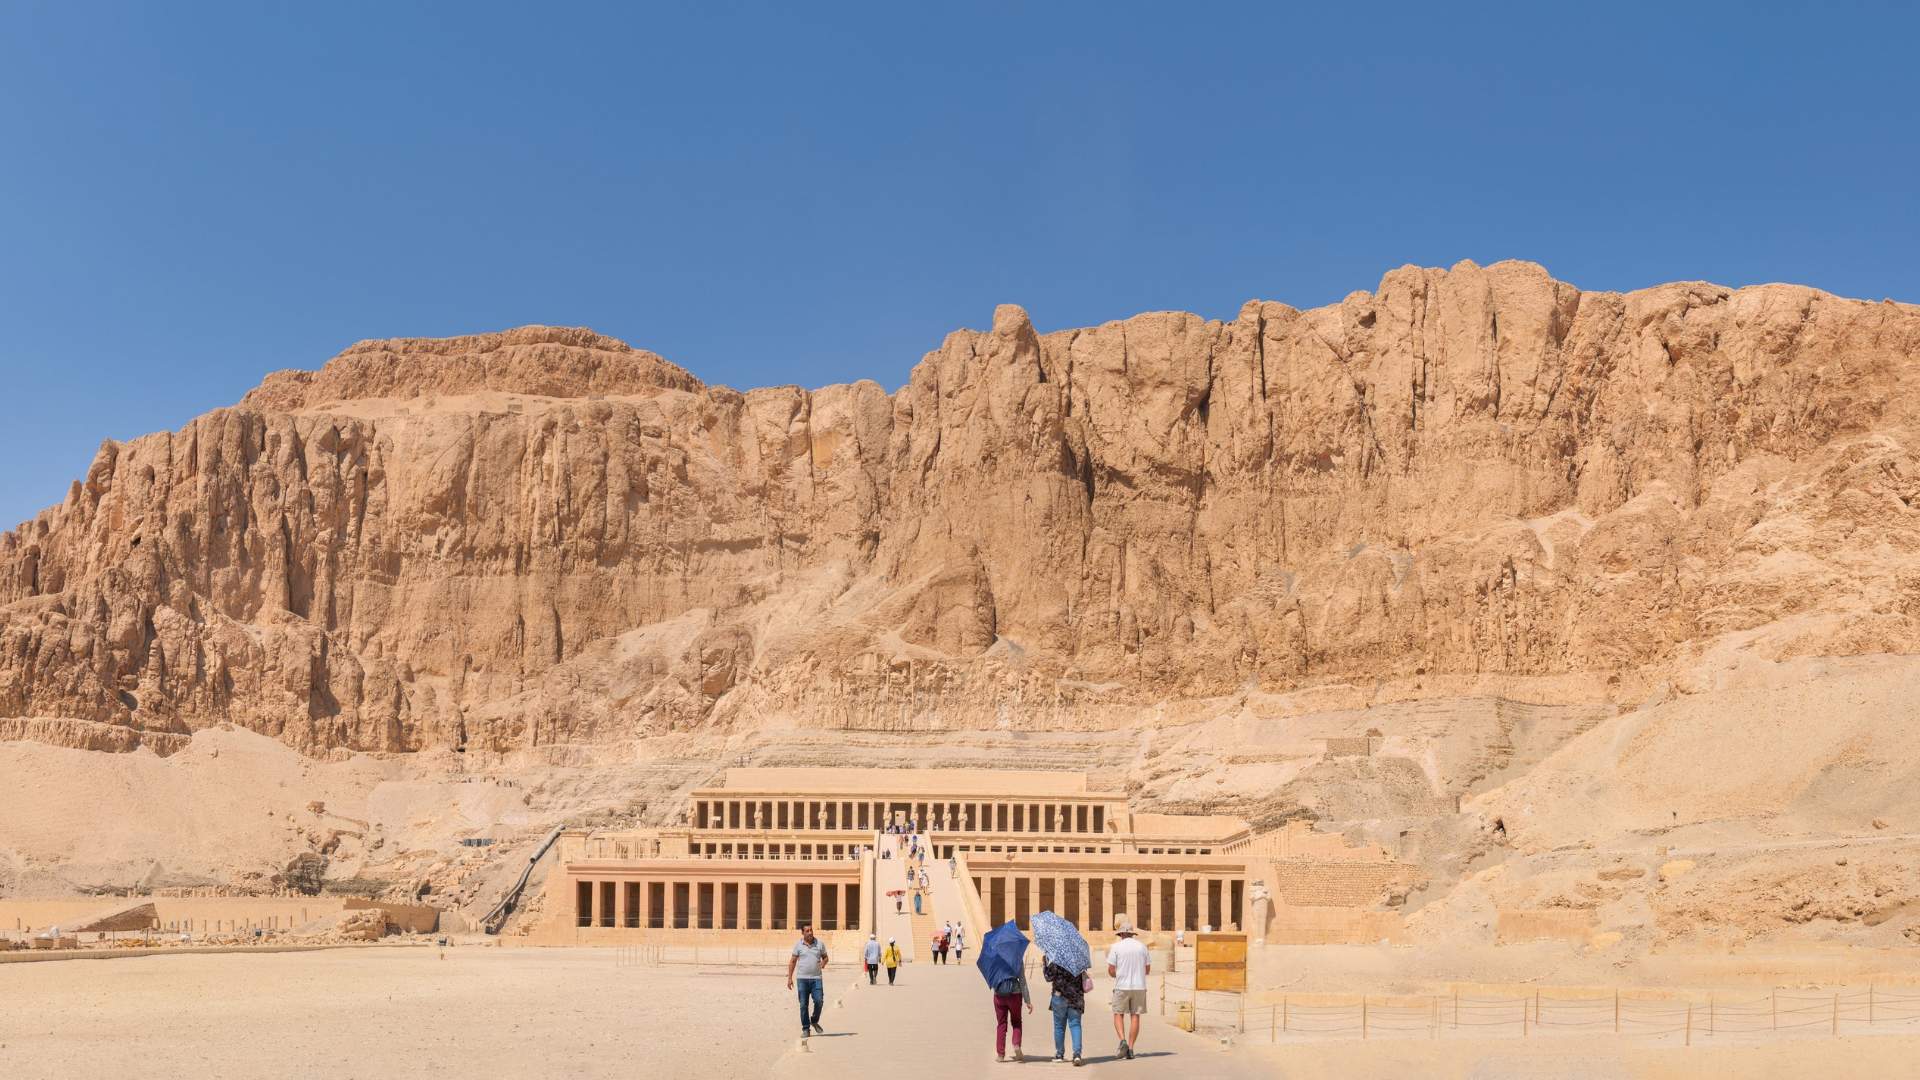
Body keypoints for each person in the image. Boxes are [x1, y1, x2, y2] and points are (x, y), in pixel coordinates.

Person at [1105, 915, 1150, 1060]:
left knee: (1118, 1013)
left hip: (1122, 985)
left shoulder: (1116, 947)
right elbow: (1147, 970)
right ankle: (1130, 1048)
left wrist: (1116, 974)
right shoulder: (1142, 947)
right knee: (1135, 1016)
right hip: (1139, 986)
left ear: (1121, 934)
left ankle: (1122, 1041)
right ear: (1132, 933)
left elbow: (1111, 970)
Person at [786, 922, 829, 1044]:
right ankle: (806, 1028)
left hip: (816, 978)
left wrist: (823, 963)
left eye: (811, 930)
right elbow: (793, 961)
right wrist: (790, 978)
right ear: (803, 933)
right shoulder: (798, 946)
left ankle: (814, 1020)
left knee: (819, 1001)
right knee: (803, 1005)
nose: (810, 932)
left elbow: (826, 957)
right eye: (807, 931)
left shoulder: (820, 944)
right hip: (802, 979)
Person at [1044, 954, 1087, 1066]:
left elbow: (1048, 977)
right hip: (1076, 996)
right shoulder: (1079, 958)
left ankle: (1059, 1054)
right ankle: (1077, 1054)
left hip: (1059, 997)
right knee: (1075, 1025)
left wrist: (1045, 963)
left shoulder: (1056, 958)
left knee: (1059, 1026)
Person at [991, 961, 1032, 1062]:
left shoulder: (996, 958)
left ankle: (1000, 1054)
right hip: (1015, 994)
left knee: (1001, 1024)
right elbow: (1022, 980)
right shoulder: (1017, 958)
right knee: (1016, 1022)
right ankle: (1016, 1044)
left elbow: (991, 976)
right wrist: (1027, 1000)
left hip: (999, 994)